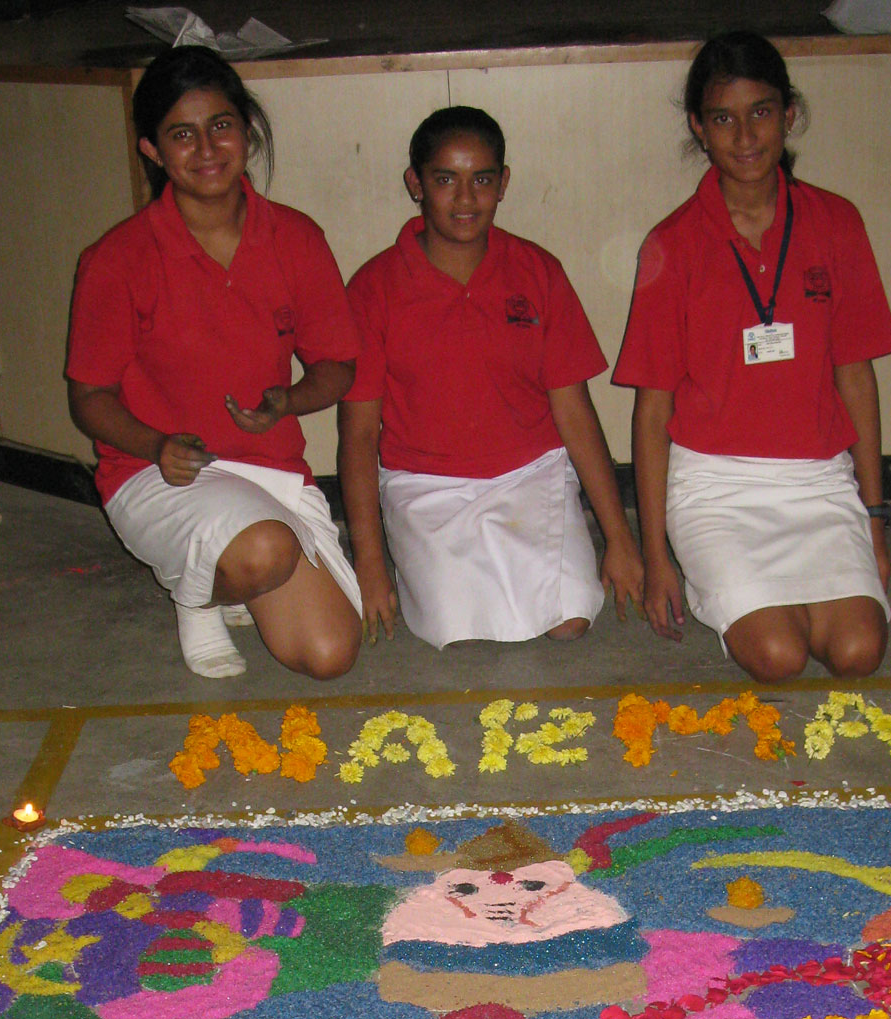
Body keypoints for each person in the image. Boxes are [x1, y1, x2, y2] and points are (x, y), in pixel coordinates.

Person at [65, 47, 363, 680]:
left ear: (246, 131)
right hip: (158, 474)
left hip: (270, 472)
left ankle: (227, 574)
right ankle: (196, 597)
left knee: (329, 654)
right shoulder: (117, 259)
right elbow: (88, 398)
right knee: (265, 550)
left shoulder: (296, 237)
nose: (206, 149)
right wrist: (156, 445)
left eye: (221, 126)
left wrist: (289, 401)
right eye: (182, 134)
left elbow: (338, 366)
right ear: (152, 150)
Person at [613, 33, 891, 683]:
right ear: (699, 127)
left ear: (789, 114)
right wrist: (656, 557)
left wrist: (875, 522)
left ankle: (808, 590)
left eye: (761, 112)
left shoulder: (837, 222)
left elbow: (857, 377)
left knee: (858, 652)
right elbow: (652, 411)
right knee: (778, 657)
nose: (745, 137)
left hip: (818, 481)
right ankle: (743, 593)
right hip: (716, 487)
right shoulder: (672, 244)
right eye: (723, 119)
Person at [337, 105, 643, 649]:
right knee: (456, 633)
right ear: (416, 184)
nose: (465, 199)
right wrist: (370, 562)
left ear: (503, 184)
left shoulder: (538, 271)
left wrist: (620, 537)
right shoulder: (374, 286)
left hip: (531, 473)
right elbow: (358, 434)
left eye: (481, 180)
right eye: (445, 180)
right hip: (426, 484)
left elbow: (575, 410)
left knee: (570, 619)